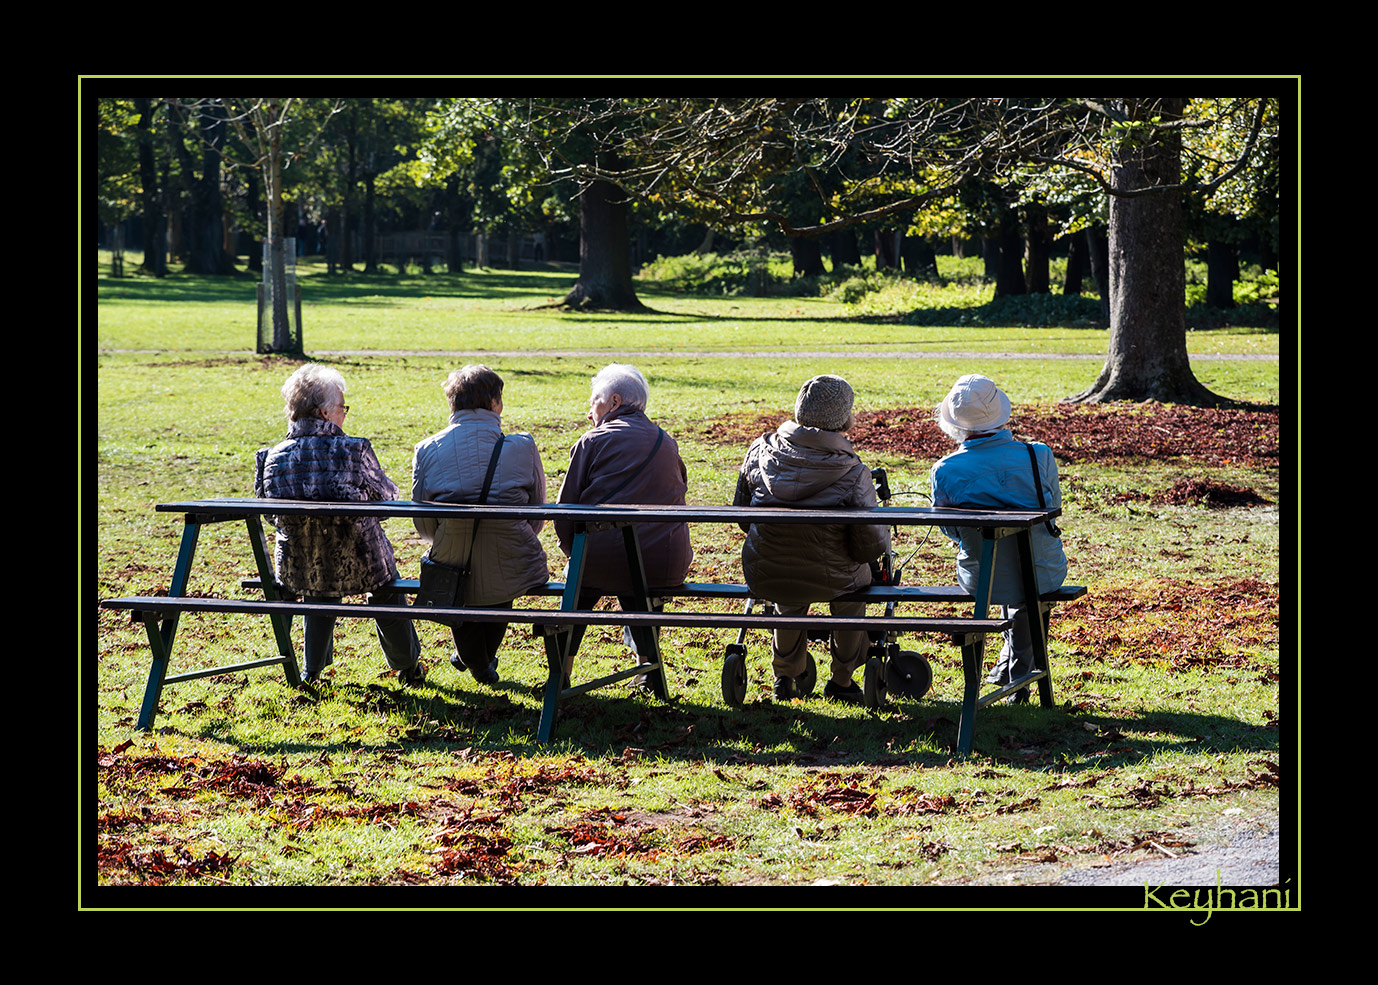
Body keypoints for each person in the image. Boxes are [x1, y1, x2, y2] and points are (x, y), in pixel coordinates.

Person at [255, 364, 424, 685]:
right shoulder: (353, 450)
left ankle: (312, 670)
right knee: (387, 589)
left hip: (298, 566)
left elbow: (270, 515)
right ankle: (408, 665)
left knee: (317, 581)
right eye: (342, 408)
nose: (344, 414)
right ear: (323, 413)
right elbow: (387, 501)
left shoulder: (270, 457)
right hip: (361, 561)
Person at [734, 375, 888, 703]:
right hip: (834, 578)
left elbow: (743, 517)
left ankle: (785, 675)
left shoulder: (760, 450)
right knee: (853, 594)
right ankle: (842, 681)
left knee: (787, 592)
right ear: (843, 417)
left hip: (768, 570)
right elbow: (869, 545)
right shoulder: (853, 470)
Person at [929, 374, 1067, 701]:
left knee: (1003, 568)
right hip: (1042, 569)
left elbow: (951, 530)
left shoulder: (945, 469)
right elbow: (1053, 508)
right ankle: (1019, 674)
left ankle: (1012, 667)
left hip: (980, 579)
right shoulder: (1039, 455)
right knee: (1027, 580)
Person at [412, 365, 550, 685]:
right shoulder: (523, 446)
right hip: (512, 557)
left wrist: (448, 535)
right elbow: (537, 512)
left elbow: (422, 521)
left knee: (467, 575)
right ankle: (479, 662)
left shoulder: (427, 449)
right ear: (494, 402)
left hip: (452, 557)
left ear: (453, 404)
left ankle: (476, 661)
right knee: (499, 569)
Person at [555, 364, 693, 683]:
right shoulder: (666, 441)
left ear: (614, 402)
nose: (590, 411)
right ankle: (647, 668)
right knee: (640, 565)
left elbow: (565, 510)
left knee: (585, 577)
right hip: (664, 562)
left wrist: (571, 551)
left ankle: (562, 670)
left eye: (594, 401)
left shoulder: (592, 442)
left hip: (600, 559)